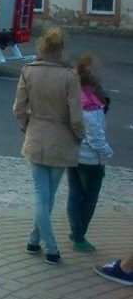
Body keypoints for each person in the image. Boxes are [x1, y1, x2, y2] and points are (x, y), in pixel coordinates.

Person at [13, 27, 84, 265]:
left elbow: (19, 109)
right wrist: (79, 136)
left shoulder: (28, 72)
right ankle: (51, 248)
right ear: (61, 49)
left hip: (36, 135)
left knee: (43, 196)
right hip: (61, 139)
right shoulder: (70, 77)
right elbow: (76, 117)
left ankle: (34, 239)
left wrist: (28, 127)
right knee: (48, 196)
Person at [66, 53, 113, 252]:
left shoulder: (74, 96)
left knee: (75, 194)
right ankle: (79, 236)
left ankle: (75, 230)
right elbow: (96, 139)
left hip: (72, 153)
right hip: (90, 159)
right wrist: (107, 154)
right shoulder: (93, 106)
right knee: (90, 196)